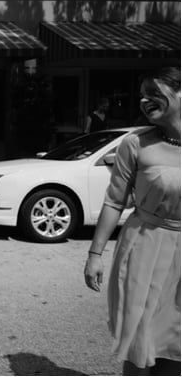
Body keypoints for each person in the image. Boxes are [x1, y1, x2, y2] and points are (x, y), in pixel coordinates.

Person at [84, 67, 180, 376]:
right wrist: (94, 255)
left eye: (154, 92)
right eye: (142, 94)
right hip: (144, 247)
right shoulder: (135, 143)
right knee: (140, 337)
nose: (143, 100)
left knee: (175, 341)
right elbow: (114, 201)